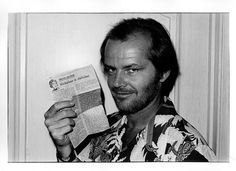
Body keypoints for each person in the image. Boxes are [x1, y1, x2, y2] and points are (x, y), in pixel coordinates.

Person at [44, 18, 216, 162]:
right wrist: (64, 149)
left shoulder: (188, 152)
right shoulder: (106, 126)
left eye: (132, 70)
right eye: (111, 69)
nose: (116, 82)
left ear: (163, 73)